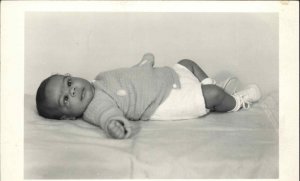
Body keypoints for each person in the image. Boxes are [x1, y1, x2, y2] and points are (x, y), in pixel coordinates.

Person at [36, 53, 261, 139]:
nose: (72, 90)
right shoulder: (95, 107)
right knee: (211, 95)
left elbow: (128, 76)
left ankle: (212, 85)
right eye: (65, 99)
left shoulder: (99, 78)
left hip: (165, 77)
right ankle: (236, 101)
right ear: (68, 117)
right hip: (164, 101)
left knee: (187, 63)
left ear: (71, 76)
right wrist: (115, 125)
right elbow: (108, 115)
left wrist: (143, 65)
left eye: (68, 83)